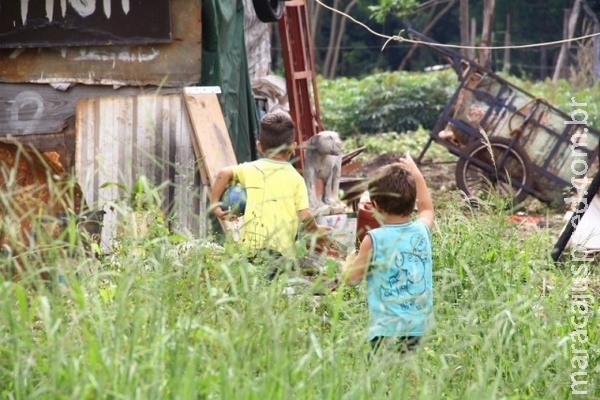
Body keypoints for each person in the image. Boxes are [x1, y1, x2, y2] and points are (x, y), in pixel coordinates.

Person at [211, 111, 330, 279]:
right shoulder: (296, 178)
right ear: (293, 147)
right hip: (280, 256)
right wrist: (316, 232)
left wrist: (215, 204)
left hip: (248, 252)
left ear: (259, 146)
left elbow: (223, 173)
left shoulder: (249, 169)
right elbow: (305, 215)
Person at [341, 154, 434, 356]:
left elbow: (352, 279)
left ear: (375, 206)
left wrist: (346, 265)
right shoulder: (422, 231)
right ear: (412, 203)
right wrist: (416, 173)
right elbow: (427, 207)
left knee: (380, 378)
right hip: (420, 327)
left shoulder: (374, 239)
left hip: (386, 331)